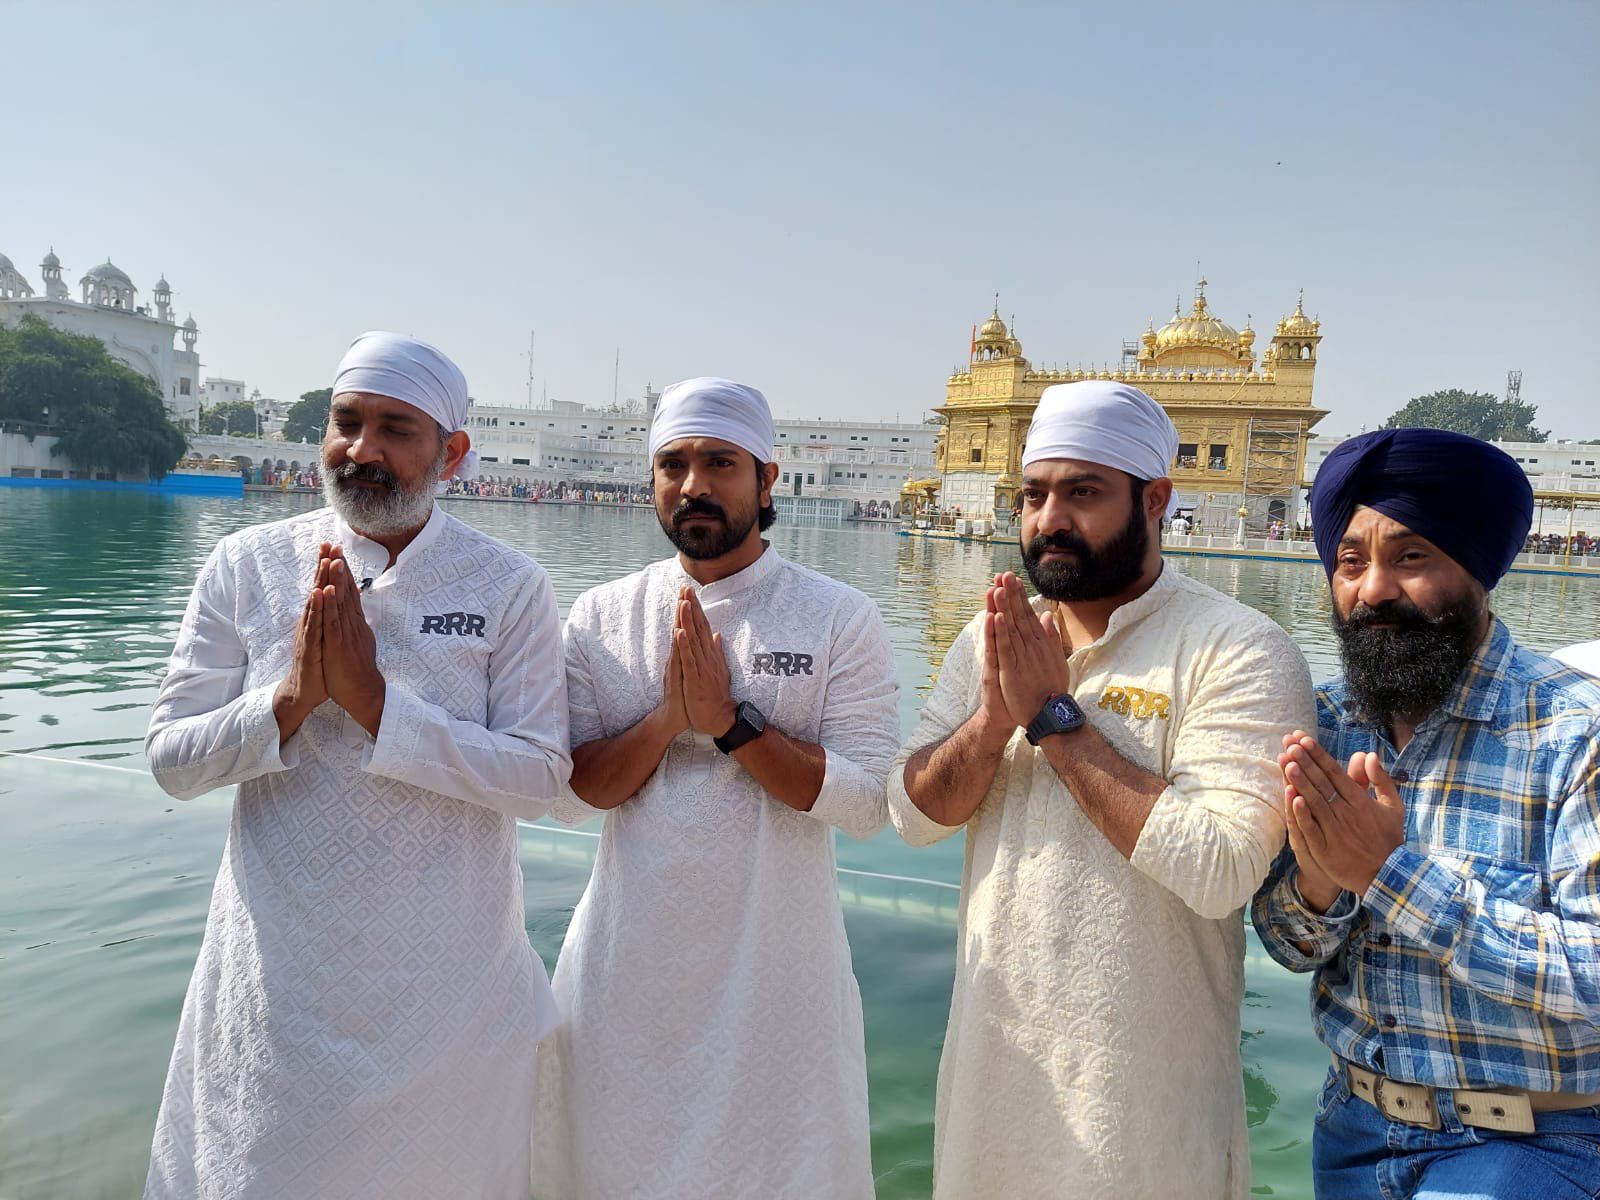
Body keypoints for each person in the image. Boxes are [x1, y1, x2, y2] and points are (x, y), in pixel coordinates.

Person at [143, 332, 571, 1199]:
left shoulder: (508, 585)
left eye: (395, 429)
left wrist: (379, 709)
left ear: (451, 451)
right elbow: (171, 761)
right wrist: (290, 700)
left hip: (447, 992)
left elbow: (538, 778)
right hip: (277, 988)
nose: (362, 449)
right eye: (346, 423)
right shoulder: (248, 564)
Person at [888, 381, 1315, 1199]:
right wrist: (991, 721)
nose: (1050, 518)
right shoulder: (993, 634)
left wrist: (1055, 719)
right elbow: (910, 817)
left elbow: (1224, 870)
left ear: (1154, 499)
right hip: (991, 1083)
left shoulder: (1237, 650)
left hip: (1143, 1109)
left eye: (1082, 492)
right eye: (1035, 494)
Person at [530, 377, 900, 1199]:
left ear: (768, 480)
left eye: (720, 463)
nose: (694, 484)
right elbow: (566, 793)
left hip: (779, 977)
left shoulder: (838, 617)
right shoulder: (602, 615)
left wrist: (733, 726)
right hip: (627, 973)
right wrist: (668, 719)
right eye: (674, 464)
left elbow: (870, 801)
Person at [1251, 428, 1600, 1199]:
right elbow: (1290, 946)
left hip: (1535, 1144)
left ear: (1477, 567)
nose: (1372, 590)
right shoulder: (1327, 724)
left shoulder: (1575, 733)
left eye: (1410, 558)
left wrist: (1388, 872)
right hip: (1352, 1133)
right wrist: (1317, 887)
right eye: (1350, 562)